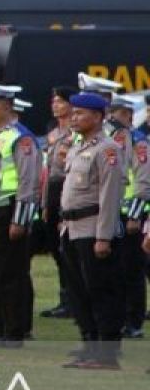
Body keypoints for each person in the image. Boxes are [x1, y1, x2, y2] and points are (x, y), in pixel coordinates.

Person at [59, 92, 125, 369]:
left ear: (98, 117)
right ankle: (90, 342)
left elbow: (110, 195)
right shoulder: (76, 148)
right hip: (72, 228)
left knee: (100, 290)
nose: (74, 118)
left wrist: (103, 236)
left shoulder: (107, 149)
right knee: (78, 291)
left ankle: (107, 352)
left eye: (81, 113)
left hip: (92, 227)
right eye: (73, 113)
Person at [0, 80, 40, 348]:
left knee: (10, 273)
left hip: (10, 208)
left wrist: (20, 219)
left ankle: (14, 330)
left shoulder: (20, 138)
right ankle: (0, 325)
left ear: (6, 106)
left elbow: (29, 181)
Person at [106, 95, 147, 339]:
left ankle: (134, 321)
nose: (112, 119)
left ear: (129, 115)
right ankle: (120, 317)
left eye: (117, 114)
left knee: (132, 269)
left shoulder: (138, 141)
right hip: (115, 213)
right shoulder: (113, 140)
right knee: (116, 268)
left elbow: (142, 183)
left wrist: (134, 216)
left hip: (133, 214)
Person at [42, 85, 77, 319]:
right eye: (54, 101)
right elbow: (47, 168)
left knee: (68, 249)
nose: (56, 105)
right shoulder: (53, 131)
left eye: (61, 101)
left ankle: (73, 299)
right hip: (52, 189)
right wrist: (45, 203)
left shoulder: (75, 132)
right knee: (56, 248)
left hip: (68, 188)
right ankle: (65, 296)